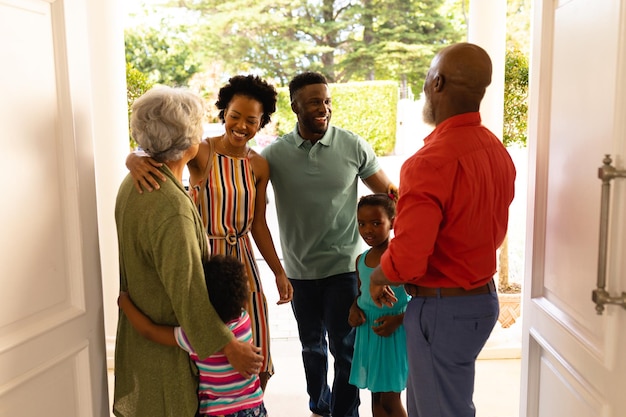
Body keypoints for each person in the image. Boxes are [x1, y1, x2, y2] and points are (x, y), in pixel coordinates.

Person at [369, 42, 517, 417]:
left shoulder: (430, 162)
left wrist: (378, 274)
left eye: (425, 77)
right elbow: (491, 231)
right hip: (480, 300)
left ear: (437, 82)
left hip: (443, 307)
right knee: (434, 405)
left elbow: (408, 258)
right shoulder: (495, 150)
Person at [126, 75, 293, 390]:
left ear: (263, 123)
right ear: (223, 113)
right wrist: (131, 159)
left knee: (256, 349)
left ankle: (252, 407)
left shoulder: (259, 165)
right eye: (234, 116)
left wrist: (278, 272)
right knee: (212, 350)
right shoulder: (201, 151)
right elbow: (151, 154)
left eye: (251, 120)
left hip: (245, 265)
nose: (241, 125)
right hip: (207, 260)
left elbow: (258, 223)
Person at [114, 86, 263, 417]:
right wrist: (230, 346)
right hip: (168, 355)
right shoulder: (169, 206)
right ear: (188, 140)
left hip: (146, 341)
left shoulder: (133, 183)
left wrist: (133, 156)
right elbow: (189, 291)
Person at [260, 71, 397, 417]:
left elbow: (389, 197)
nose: (323, 108)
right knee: (311, 347)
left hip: (344, 269)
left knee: (345, 348)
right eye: (314, 102)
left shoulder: (352, 145)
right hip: (299, 271)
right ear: (295, 106)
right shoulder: (274, 155)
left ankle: (344, 413)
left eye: (326, 101)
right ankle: (319, 403)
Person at [118, 254, 267, 417]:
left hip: (218, 412)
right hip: (254, 408)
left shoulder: (194, 335)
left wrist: (124, 302)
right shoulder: (245, 321)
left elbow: (149, 331)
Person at [348, 194, 408, 417]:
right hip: (369, 334)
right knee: (376, 398)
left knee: (390, 400)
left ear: (392, 222)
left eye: (376, 223)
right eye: (362, 224)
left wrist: (398, 320)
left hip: (393, 334)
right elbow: (361, 294)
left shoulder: (400, 258)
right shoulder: (361, 260)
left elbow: (420, 300)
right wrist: (354, 308)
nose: (368, 230)